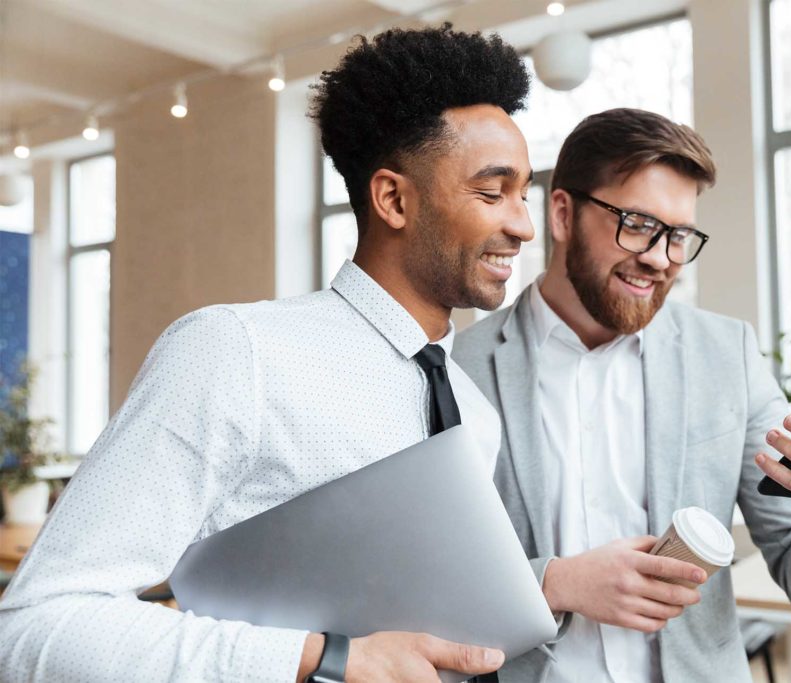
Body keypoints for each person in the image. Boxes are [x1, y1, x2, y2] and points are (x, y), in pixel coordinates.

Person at [0, 25, 535, 683]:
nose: (523, 224)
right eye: (493, 191)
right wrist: (324, 658)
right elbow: (37, 624)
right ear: (394, 198)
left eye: (524, 192)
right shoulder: (234, 352)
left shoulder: (474, 413)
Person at [453, 108, 791, 683]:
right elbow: (433, 583)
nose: (660, 257)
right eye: (636, 223)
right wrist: (554, 583)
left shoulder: (727, 354)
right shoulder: (460, 368)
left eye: (678, 235)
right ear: (562, 213)